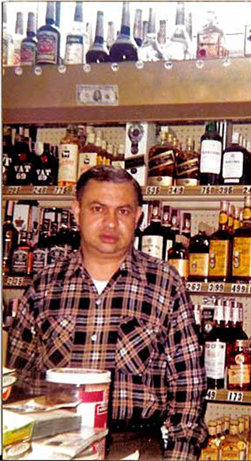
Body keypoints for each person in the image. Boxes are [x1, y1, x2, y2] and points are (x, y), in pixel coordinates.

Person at [7, 165, 207, 460]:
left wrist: (179, 455)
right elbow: (18, 379)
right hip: (52, 444)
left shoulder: (165, 284)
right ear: (77, 211)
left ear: (139, 216)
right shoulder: (44, 285)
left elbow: (188, 389)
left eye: (123, 211)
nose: (111, 223)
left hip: (136, 445)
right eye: (98, 208)